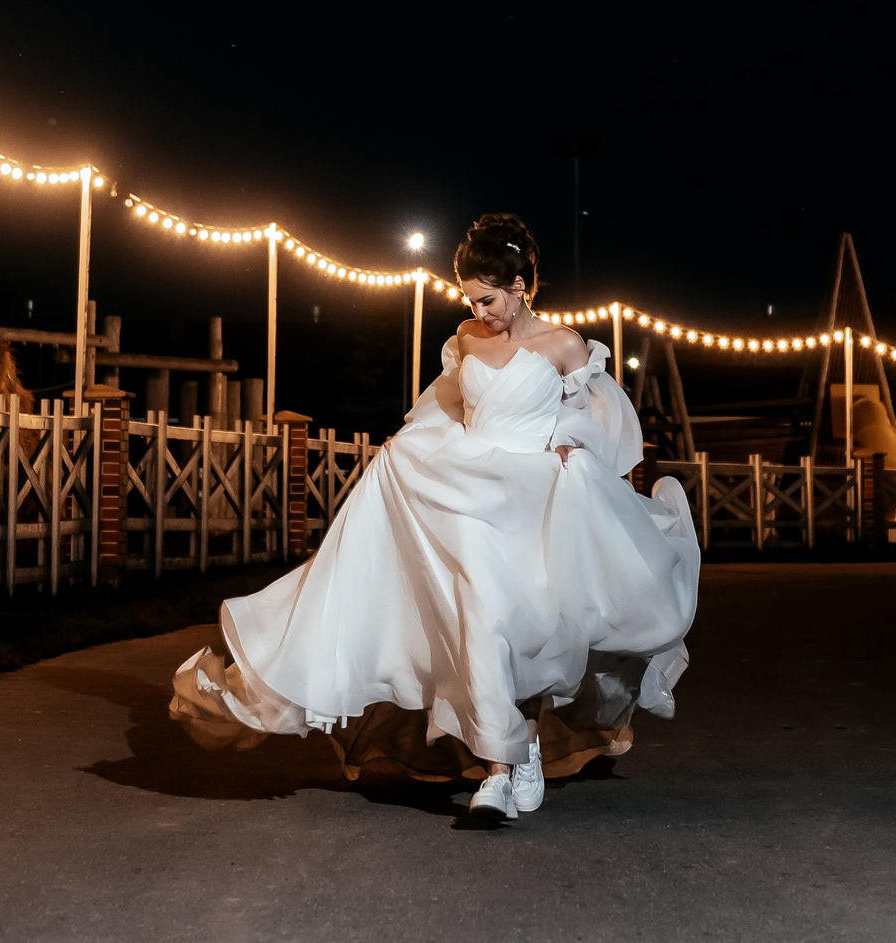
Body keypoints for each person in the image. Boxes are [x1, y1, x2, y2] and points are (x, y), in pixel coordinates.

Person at [171, 213, 701, 824]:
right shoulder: (467, 342)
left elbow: (598, 424)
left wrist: (569, 446)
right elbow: (443, 411)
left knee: (524, 628)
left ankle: (521, 745)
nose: (480, 310)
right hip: (467, 496)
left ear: (522, 285)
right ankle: (497, 773)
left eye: (489, 298)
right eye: (471, 298)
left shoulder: (565, 347)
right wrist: (407, 451)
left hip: (530, 501)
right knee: (480, 617)